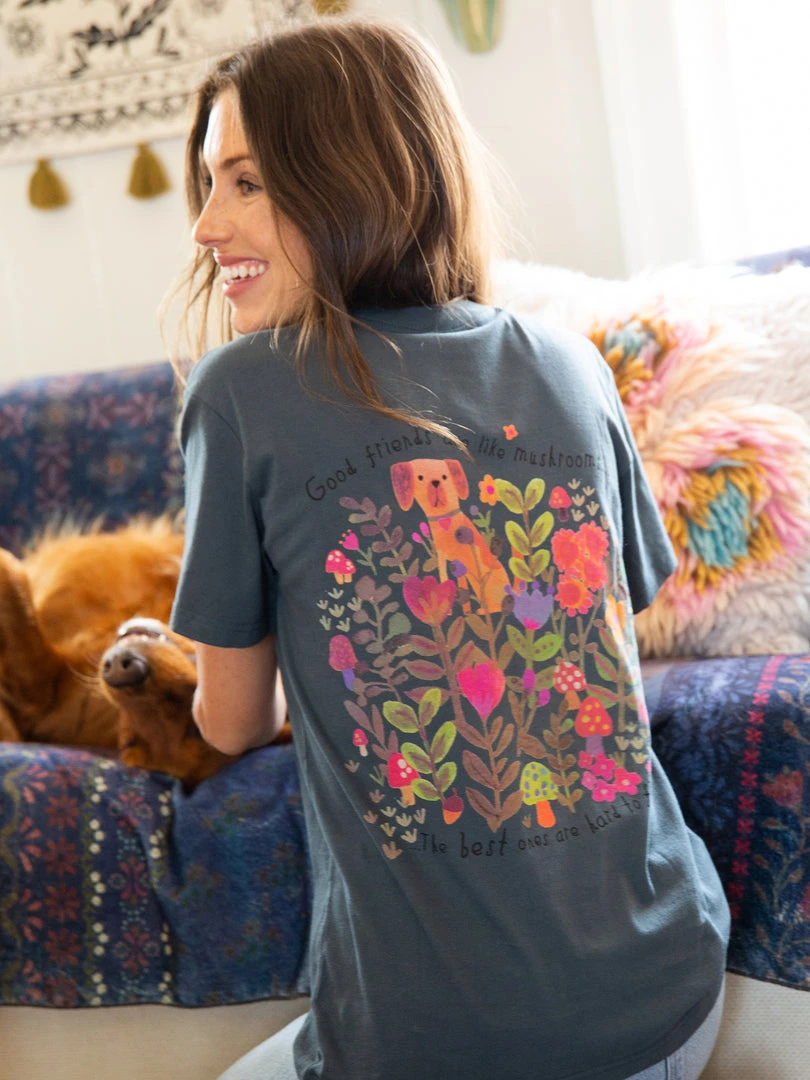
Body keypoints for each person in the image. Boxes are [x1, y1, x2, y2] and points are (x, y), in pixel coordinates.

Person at [167, 14, 730, 1080]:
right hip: (670, 990)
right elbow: (614, 646)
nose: (205, 227)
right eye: (207, 184)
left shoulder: (242, 393)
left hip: (431, 1048)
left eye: (245, 183)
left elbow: (233, 721)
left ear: (348, 178)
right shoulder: (571, 364)